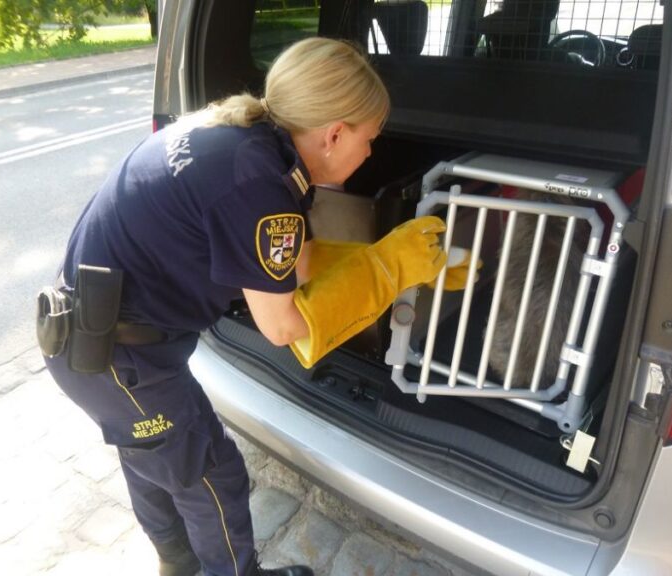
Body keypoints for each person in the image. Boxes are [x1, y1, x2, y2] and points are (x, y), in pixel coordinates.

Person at [37, 38, 448, 576]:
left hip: (90, 334)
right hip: (115, 357)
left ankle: (177, 564)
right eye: (370, 139)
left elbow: (291, 267)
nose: (371, 153)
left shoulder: (245, 137)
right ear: (334, 134)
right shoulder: (263, 188)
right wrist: (388, 269)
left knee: (153, 459)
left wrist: (367, 255)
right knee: (212, 473)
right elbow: (283, 326)